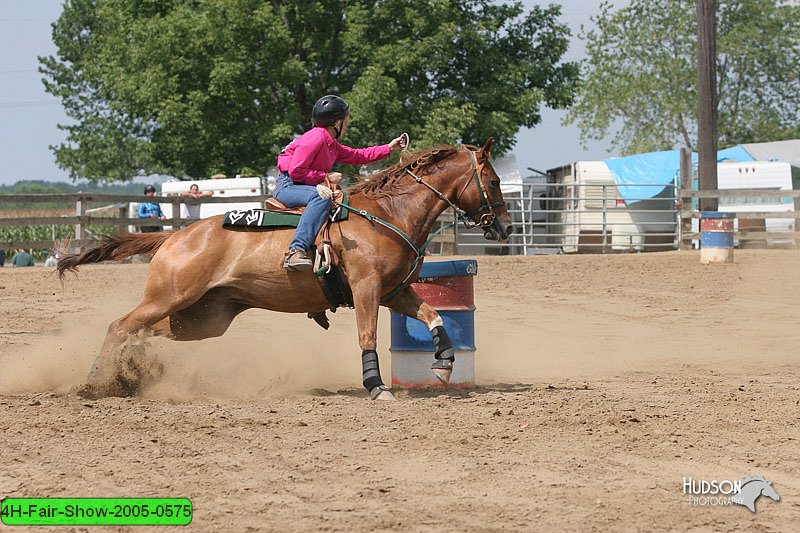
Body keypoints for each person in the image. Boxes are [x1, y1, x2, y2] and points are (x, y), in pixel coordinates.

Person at [275, 95, 406, 271]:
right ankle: (296, 251)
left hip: (301, 184)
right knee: (320, 197)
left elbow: (357, 155)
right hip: (289, 186)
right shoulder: (315, 139)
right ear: (337, 123)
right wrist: (326, 177)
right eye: (346, 121)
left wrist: (389, 148)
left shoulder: (330, 144)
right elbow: (296, 172)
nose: (347, 126)